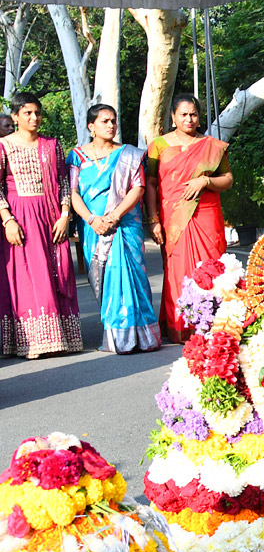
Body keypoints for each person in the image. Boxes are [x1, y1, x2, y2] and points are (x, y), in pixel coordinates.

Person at [67, 104, 161, 353]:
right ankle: (116, 337)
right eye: (105, 121)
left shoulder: (128, 154)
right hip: (93, 228)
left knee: (133, 276)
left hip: (125, 225)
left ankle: (143, 337)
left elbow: (139, 187)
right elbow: (73, 193)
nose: (111, 125)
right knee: (105, 278)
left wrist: (114, 216)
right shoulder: (77, 156)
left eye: (113, 121)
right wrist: (91, 220)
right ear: (91, 126)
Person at [145, 93, 233, 344]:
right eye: (183, 114)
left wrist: (205, 180)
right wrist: (153, 220)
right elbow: (150, 184)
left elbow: (227, 180)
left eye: (193, 114)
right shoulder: (159, 145)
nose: (189, 119)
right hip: (173, 216)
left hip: (206, 214)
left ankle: (212, 322)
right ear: (173, 117)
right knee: (178, 269)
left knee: (210, 266)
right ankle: (180, 325)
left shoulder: (211, 146)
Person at [0, 91, 82, 358]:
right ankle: (29, 341)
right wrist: (8, 220)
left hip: (49, 217)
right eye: (27, 113)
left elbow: (63, 183)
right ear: (15, 116)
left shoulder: (51, 145)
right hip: (19, 217)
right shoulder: (4, 146)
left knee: (53, 272)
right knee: (24, 278)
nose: (34, 118)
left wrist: (64, 214)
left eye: (37, 113)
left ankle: (58, 338)